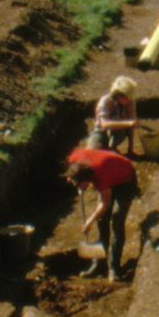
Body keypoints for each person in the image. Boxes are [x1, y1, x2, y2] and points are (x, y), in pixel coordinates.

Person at [65, 135, 138, 280]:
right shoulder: (74, 159)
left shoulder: (100, 175)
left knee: (116, 221)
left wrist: (88, 222)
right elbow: (71, 170)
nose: (81, 188)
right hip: (110, 172)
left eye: (83, 185)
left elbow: (104, 203)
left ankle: (114, 268)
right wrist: (72, 179)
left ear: (90, 179)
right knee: (102, 221)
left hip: (125, 179)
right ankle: (99, 264)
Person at [93, 76, 138, 153]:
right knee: (93, 151)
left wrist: (130, 148)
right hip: (101, 132)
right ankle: (107, 148)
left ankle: (112, 147)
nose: (130, 100)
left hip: (119, 132)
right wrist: (128, 123)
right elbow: (104, 124)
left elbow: (131, 126)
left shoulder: (130, 102)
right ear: (119, 95)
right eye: (127, 97)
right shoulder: (105, 101)